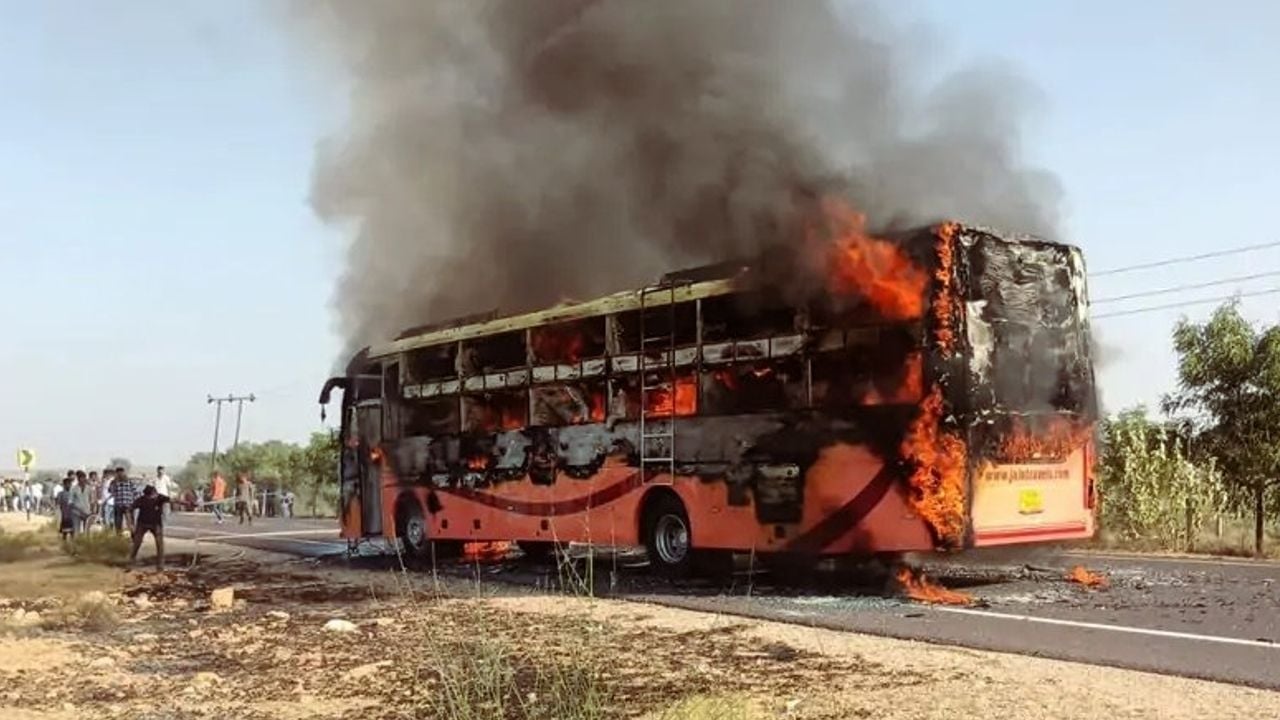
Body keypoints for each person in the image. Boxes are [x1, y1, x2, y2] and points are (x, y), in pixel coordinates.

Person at [129, 485, 169, 571]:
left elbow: (173, 500)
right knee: (137, 543)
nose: (154, 496)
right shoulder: (141, 500)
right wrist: (131, 524)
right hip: (142, 523)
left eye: (155, 494)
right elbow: (129, 509)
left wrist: (188, 503)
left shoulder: (160, 498)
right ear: (147, 495)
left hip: (156, 524)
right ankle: (131, 562)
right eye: (152, 495)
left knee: (159, 544)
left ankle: (160, 565)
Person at [108, 467, 137, 535]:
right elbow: (110, 491)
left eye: (122, 473)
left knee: (130, 523)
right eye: (118, 473)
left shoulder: (129, 481)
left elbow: (135, 492)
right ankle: (119, 538)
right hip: (118, 505)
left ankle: (134, 537)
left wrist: (134, 503)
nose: (120, 474)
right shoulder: (114, 482)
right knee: (118, 523)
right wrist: (114, 482)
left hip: (128, 505)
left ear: (124, 473)